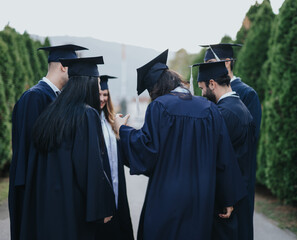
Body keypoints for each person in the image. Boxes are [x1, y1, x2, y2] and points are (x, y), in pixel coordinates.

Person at [113, 50, 245, 240]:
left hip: (167, 199)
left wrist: (123, 131)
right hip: (201, 199)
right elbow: (223, 156)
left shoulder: (159, 107)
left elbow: (147, 151)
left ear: (156, 89)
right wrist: (227, 198)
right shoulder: (209, 109)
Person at [19, 56, 116, 240]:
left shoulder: (50, 113)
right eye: (96, 84)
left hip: (46, 205)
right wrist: (102, 207)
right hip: (71, 207)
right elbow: (89, 167)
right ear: (87, 85)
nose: (98, 90)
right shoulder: (87, 115)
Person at [8, 44, 88, 240]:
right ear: (63, 66)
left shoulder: (54, 97)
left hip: (47, 185)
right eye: (74, 67)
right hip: (32, 186)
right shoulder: (35, 97)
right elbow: (28, 148)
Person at [202, 43, 262, 240]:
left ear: (227, 62)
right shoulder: (213, 93)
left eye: (211, 63)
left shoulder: (245, 94)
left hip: (238, 173)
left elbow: (249, 139)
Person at [95, 75, 134, 240]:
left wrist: (124, 133)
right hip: (102, 194)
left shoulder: (111, 121)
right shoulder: (89, 121)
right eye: (100, 94)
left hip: (118, 190)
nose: (103, 99)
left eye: (106, 95)